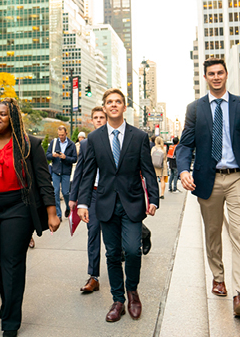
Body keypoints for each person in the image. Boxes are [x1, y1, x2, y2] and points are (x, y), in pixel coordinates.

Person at [176, 57, 240, 317]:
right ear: (205, 77)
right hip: (209, 179)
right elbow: (185, 145)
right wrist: (183, 169)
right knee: (213, 232)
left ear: (226, 75)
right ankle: (218, 276)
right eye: (211, 73)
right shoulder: (195, 108)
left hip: (239, 178)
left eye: (220, 72)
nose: (216, 77)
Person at [0, 98, 60, 337]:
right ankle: (9, 300)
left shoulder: (30, 145)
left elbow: (43, 181)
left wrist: (51, 212)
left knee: (12, 263)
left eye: (3, 114)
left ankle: (10, 321)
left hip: (19, 207)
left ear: (13, 118)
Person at [77, 88, 159, 323]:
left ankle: (132, 292)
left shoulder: (139, 137)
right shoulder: (94, 139)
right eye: (109, 102)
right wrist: (82, 202)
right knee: (112, 254)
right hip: (105, 204)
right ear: (104, 107)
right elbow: (87, 173)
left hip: (132, 203)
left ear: (124, 107)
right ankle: (118, 300)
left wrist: (153, 198)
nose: (113, 105)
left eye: (118, 102)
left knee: (133, 251)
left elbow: (148, 171)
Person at [69, 106, 106, 293]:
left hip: (112, 195)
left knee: (112, 237)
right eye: (96, 117)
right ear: (92, 120)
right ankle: (94, 276)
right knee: (93, 234)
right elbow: (80, 172)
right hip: (92, 195)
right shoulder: (85, 144)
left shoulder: (114, 141)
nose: (98, 120)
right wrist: (73, 198)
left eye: (102, 117)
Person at [46, 125, 77, 220]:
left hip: (66, 172)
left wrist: (65, 157)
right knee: (55, 192)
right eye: (59, 135)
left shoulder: (71, 144)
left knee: (66, 192)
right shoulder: (54, 142)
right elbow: (47, 155)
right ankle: (58, 215)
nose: (61, 137)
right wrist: (53, 155)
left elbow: (75, 159)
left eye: (62, 135)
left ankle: (68, 208)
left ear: (66, 133)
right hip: (55, 171)